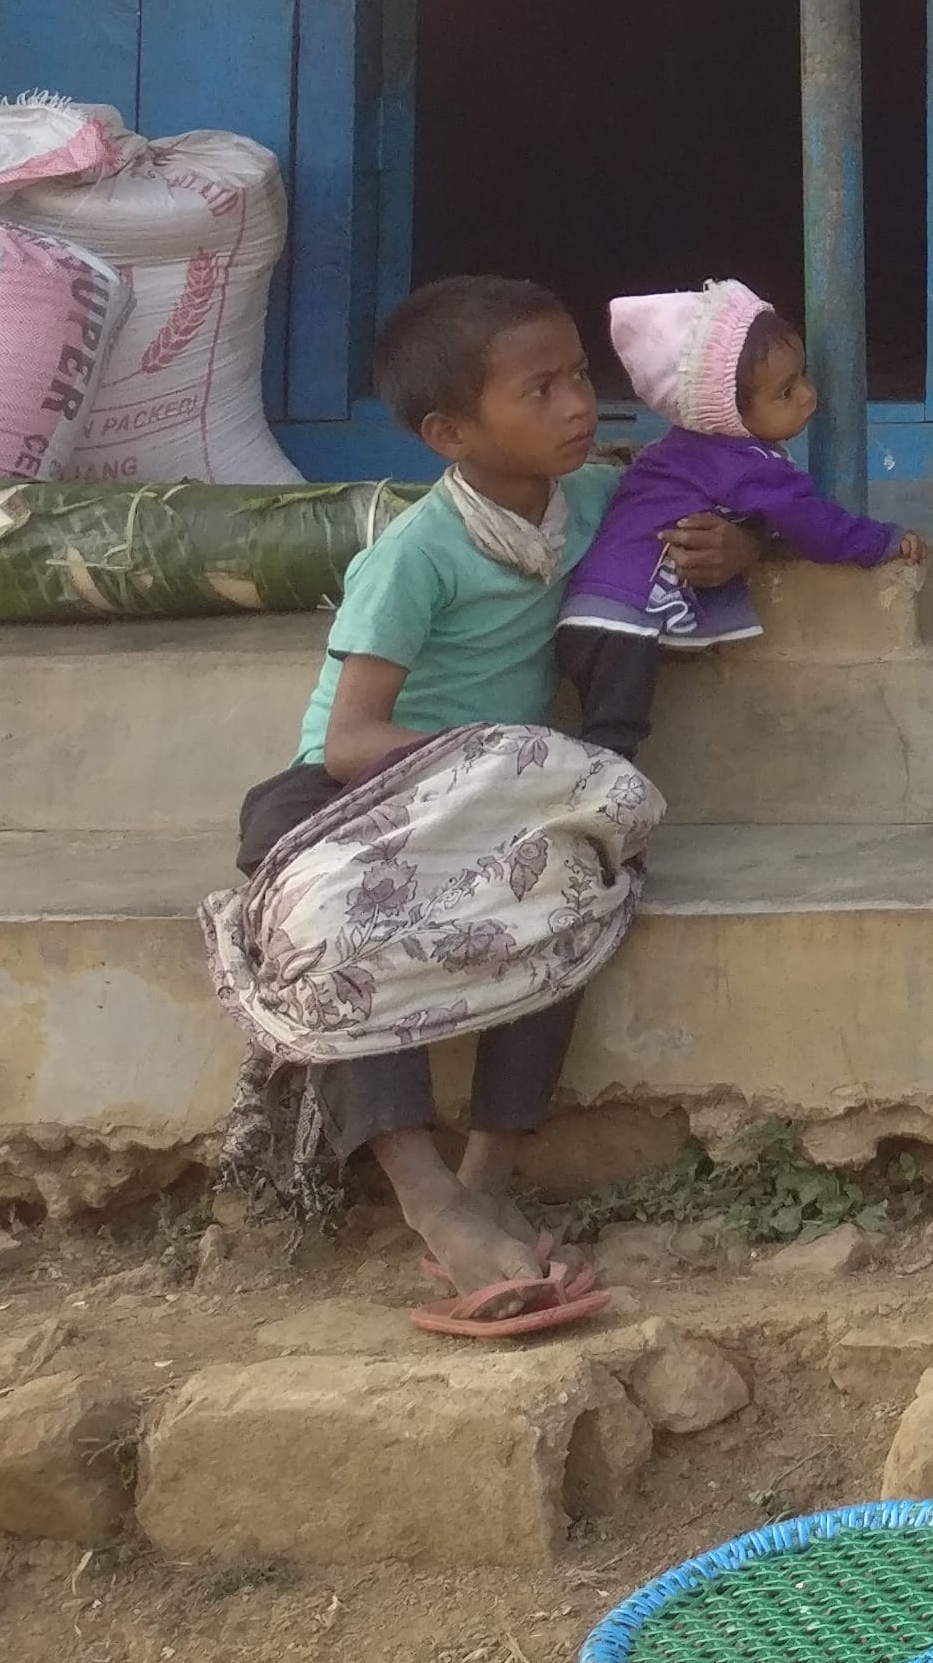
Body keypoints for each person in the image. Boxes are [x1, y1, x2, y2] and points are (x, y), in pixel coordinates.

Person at [227, 276, 682, 1322]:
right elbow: (350, 742)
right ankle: (426, 1196)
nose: (578, 405)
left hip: (495, 787)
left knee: (564, 890)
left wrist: (732, 546)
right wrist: (494, 763)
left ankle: (488, 1181)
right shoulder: (415, 555)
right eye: (539, 391)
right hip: (347, 794)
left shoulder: (593, 502)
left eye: (579, 377)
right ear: (451, 433)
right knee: (336, 926)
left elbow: (711, 499)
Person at [557, 280, 920, 752]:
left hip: (584, 612)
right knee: (613, 739)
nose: (809, 396)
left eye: (803, 377)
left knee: (604, 730)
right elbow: (811, 524)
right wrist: (881, 541)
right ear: (726, 413)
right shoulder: (748, 463)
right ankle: (601, 814)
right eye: (786, 393)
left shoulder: (674, 452)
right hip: (624, 622)